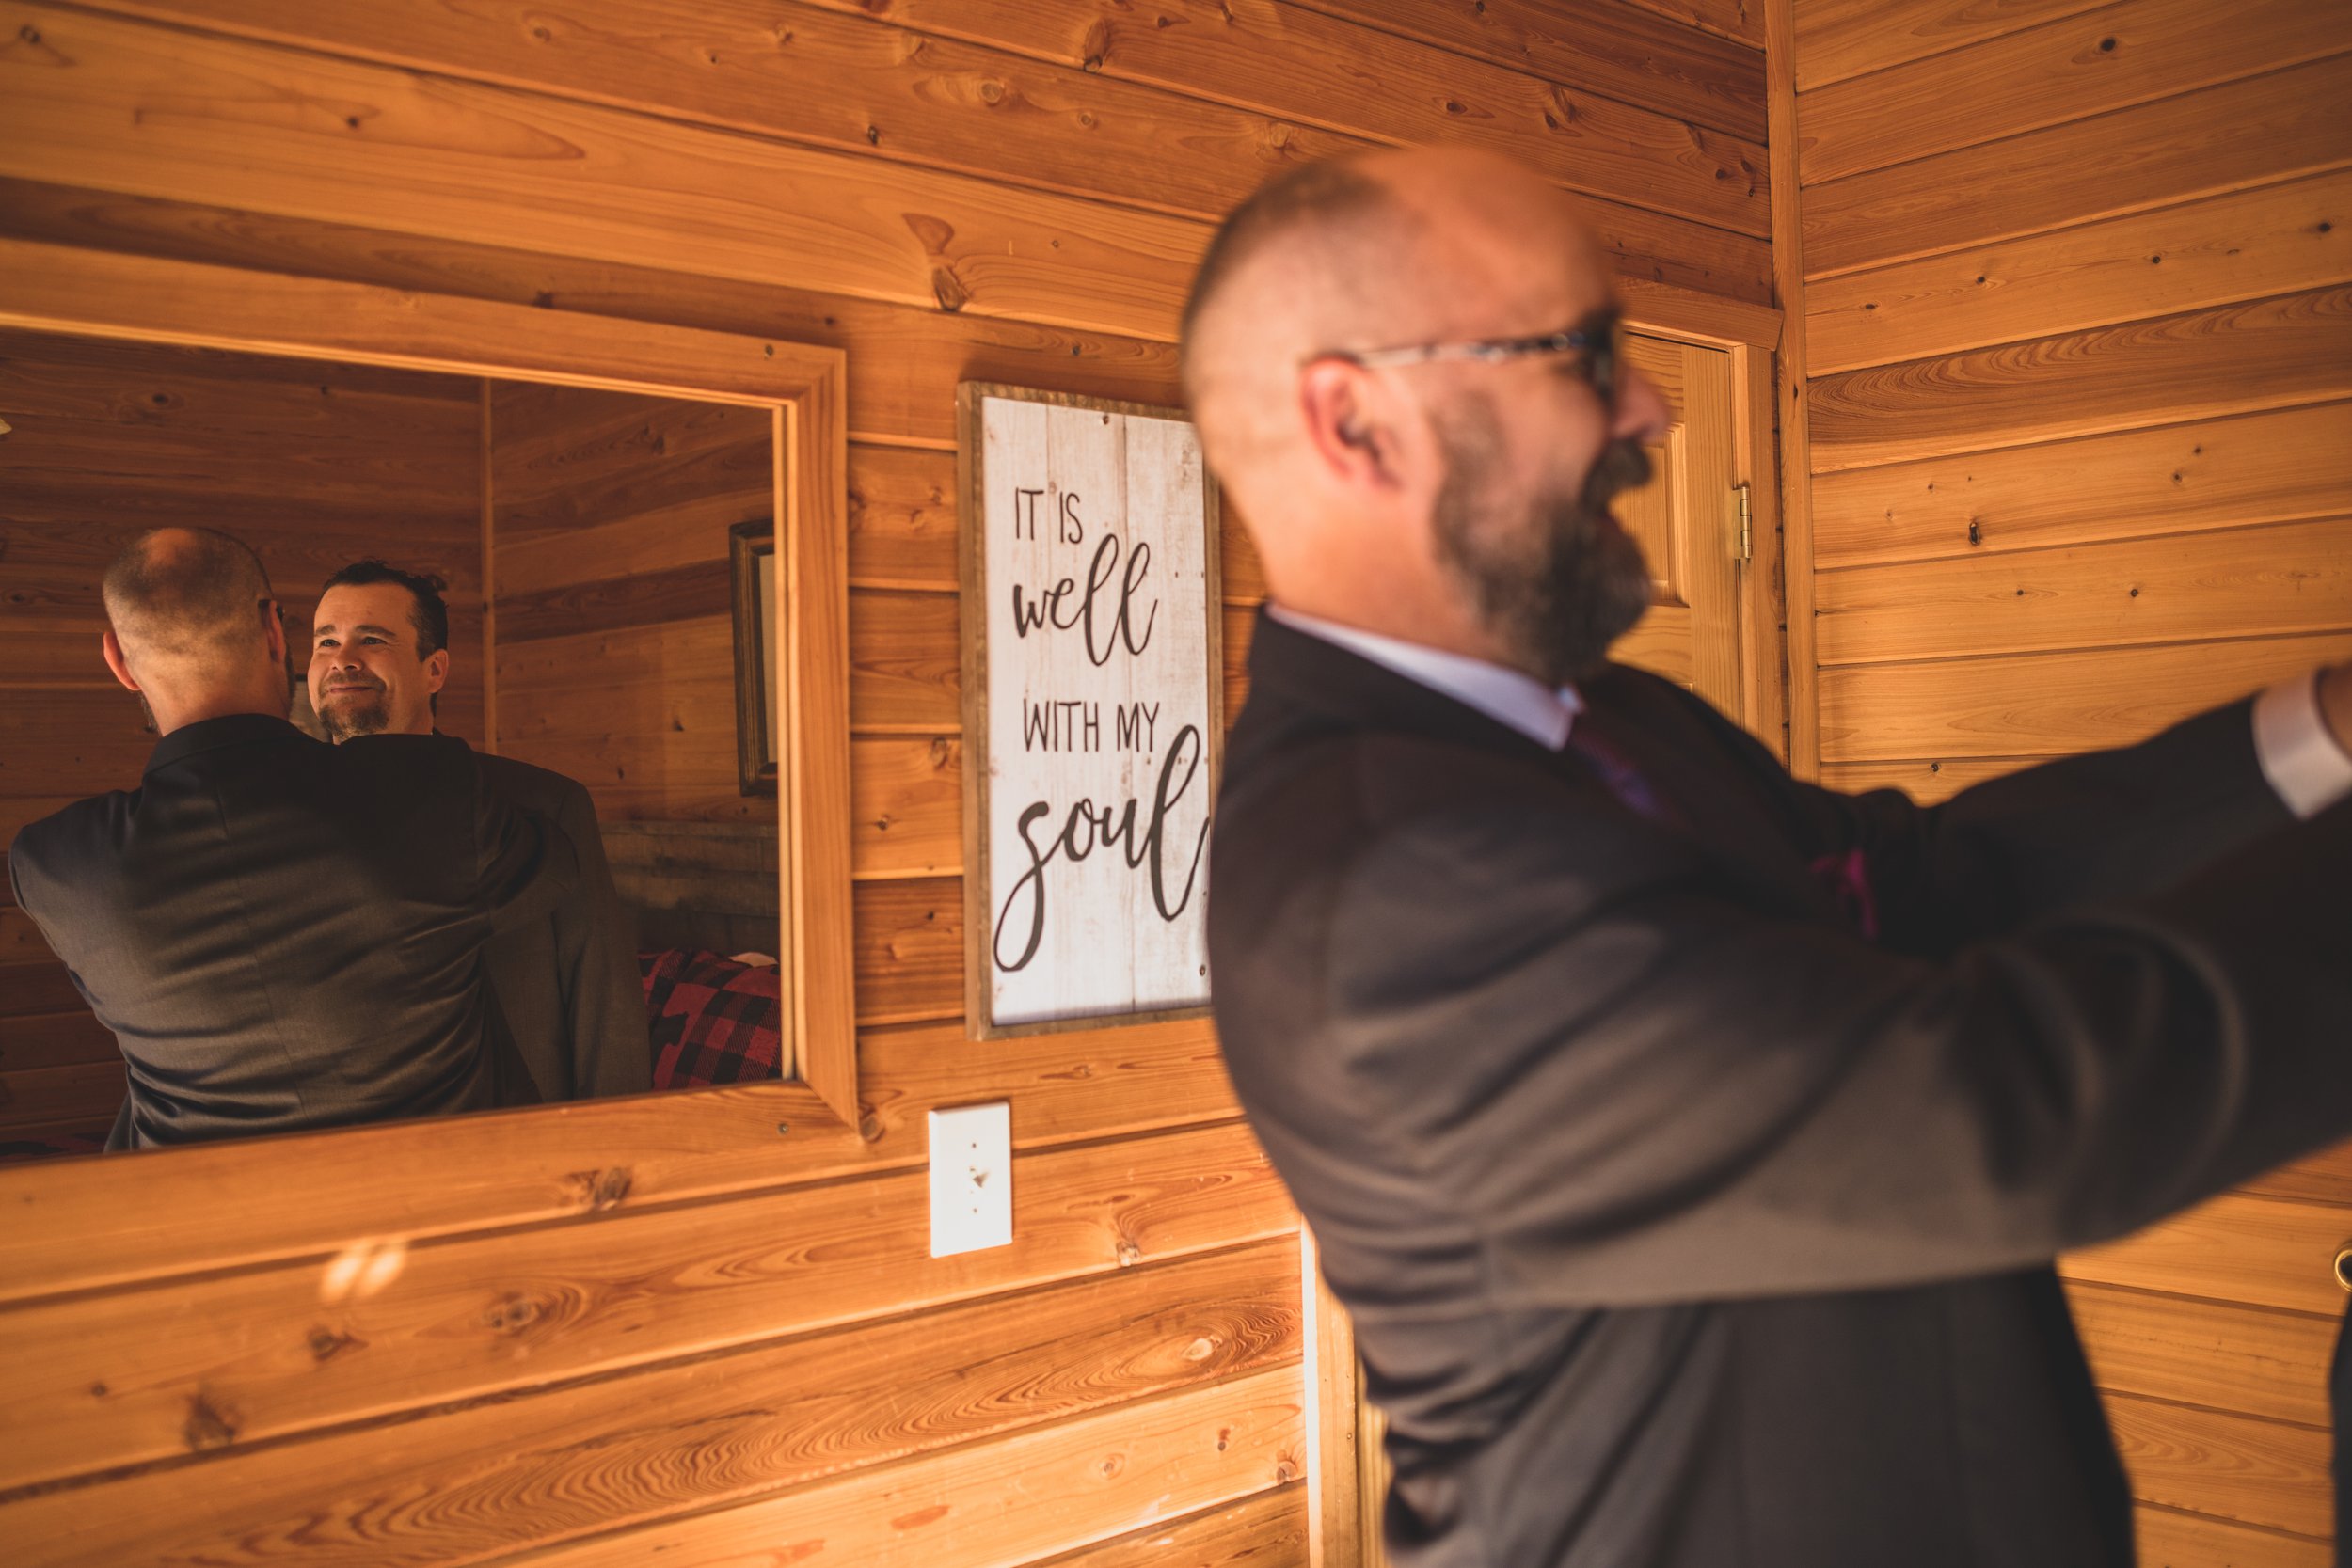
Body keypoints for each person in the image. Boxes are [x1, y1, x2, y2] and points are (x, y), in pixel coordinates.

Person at [1185, 148, 2352, 1568]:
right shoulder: (1378, 882)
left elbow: (1922, 879)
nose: (1650, 405)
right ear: (1358, 421)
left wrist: (2320, 735)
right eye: (1585, 353)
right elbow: (1989, 1111)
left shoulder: (1599, 716)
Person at [9, 528, 580, 1148]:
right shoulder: (434, 791)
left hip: (206, 1232)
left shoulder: (57, 866)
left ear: (118, 661)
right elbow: (553, 867)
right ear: (276, 633)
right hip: (437, 1215)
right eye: (327, 640)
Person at [311, 559, 650, 1101]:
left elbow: (604, 1003)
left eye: (371, 638)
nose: (342, 660)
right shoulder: (280, 811)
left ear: (435, 669)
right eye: (325, 642)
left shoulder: (546, 805)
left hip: (513, 1130)